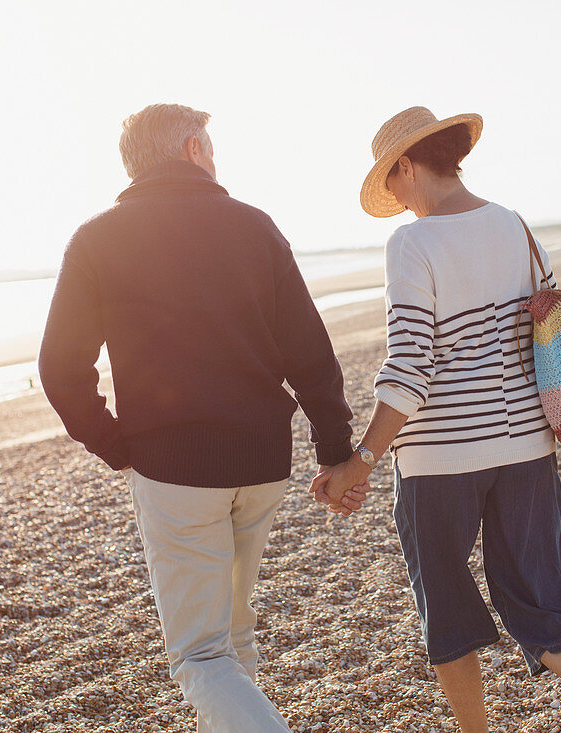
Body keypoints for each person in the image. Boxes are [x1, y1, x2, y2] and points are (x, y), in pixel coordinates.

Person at [311, 107, 561, 733]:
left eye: (390, 181)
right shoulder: (514, 226)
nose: (394, 196)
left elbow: (411, 366)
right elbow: (548, 329)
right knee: (538, 592)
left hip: (440, 458)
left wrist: (360, 459)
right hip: (526, 445)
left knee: (446, 604)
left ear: (407, 166)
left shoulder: (412, 244)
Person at [38, 103, 366, 732]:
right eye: (211, 146)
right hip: (263, 460)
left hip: (175, 470)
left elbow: (60, 369)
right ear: (191, 147)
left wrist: (119, 446)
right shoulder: (253, 225)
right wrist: (334, 450)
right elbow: (310, 351)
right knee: (233, 637)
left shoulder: (97, 238)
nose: (216, 158)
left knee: (199, 653)